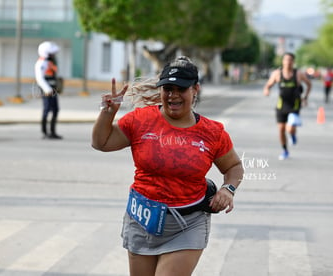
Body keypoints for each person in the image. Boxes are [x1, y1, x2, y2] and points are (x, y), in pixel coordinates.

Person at [92, 56, 243, 276]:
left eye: (181, 89)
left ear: (195, 90)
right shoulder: (140, 120)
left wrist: (228, 189)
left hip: (187, 223)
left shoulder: (212, 132)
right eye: (168, 88)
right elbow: (101, 143)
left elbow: (234, 167)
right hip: (142, 219)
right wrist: (108, 113)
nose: (173, 95)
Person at [263, 52, 312, 160]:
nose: (288, 62)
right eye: (286, 59)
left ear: (293, 62)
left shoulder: (298, 74)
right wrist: (266, 90)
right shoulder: (277, 74)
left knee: (290, 129)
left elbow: (309, 84)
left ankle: (293, 135)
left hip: (294, 105)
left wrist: (305, 97)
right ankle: (285, 150)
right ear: (283, 61)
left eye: (290, 60)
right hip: (281, 105)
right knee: (281, 129)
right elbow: (268, 85)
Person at [35, 41, 63, 139]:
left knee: (55, 110)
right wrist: (47, 89)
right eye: (52, 53)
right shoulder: (41, 63)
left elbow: (53, 75)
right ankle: (45, 132)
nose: (54, 55)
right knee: (47, 110)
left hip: (53, 89)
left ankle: (52, 132)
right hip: (47, 91)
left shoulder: (50, 62)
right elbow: (40, 78)